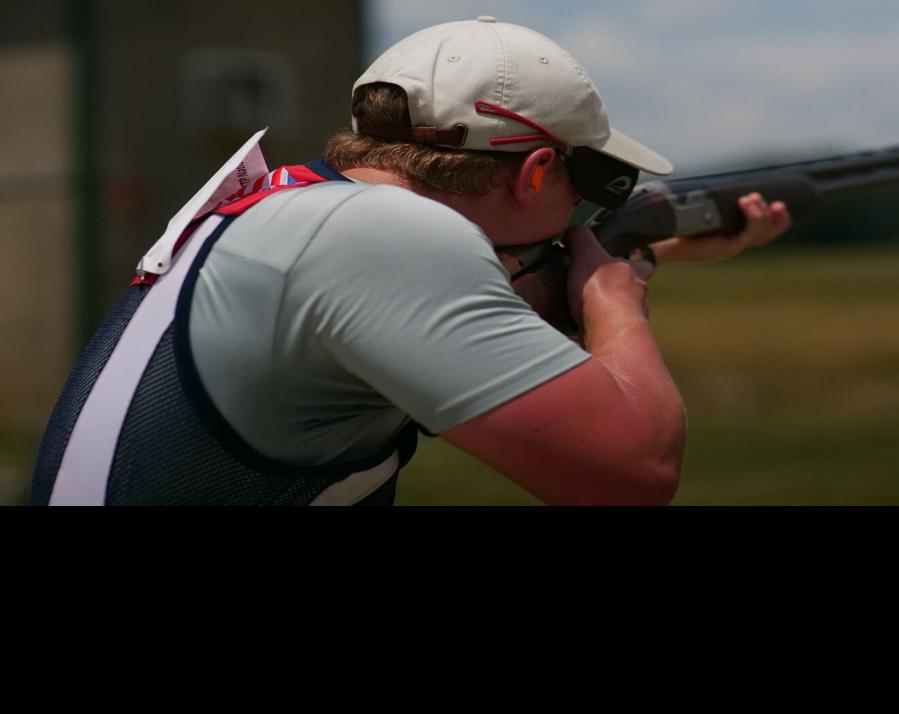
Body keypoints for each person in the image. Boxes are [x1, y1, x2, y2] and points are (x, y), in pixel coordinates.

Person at [29, 16, 790, 506]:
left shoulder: (302, 207)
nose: (587, 211)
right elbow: (631, 472)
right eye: (594, 182)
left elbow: (478, 316)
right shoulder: (390, 236)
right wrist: (617, 299)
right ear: (532, 174)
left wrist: (641, 253)